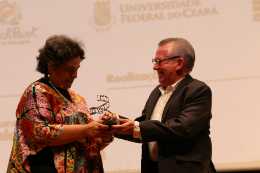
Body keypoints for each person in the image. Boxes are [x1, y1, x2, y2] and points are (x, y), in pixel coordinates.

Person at [7, 35, 114, 173]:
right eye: (70, 70)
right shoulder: (37, 92)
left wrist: (104, 137)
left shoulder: (77, 99)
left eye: (77, 69)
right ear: (51, 67)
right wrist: (87, 129)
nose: (75, 75)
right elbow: (40, 133)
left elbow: (86, 147)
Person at [108, 38, 217, 173]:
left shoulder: (198, 90)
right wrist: (114, 124)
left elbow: (183, 127)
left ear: (179, 63)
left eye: (159, 61)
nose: (155, 67)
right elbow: (145, 128)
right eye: (155, 62)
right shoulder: (157, 92)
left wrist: (137, 127)